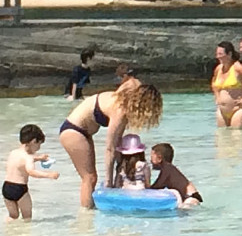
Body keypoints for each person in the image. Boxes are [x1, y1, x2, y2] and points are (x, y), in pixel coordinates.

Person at [58, 77, 163, 208]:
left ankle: (90, 212)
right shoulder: (119, 111)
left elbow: (118, 145)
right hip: (73, 130)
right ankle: (86, 217)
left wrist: (122, 171)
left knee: (91, 178)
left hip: (83, 132)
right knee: (89, 178)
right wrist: (109, 183)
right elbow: (110, 149)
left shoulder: (127, 95)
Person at [5, 124, 60, 220]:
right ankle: (25, 234)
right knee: (27, 218)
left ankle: (9, 233)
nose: (39, 147)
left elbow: (21, 163)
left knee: (13, 216)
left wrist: (39, 158)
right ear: (34, 141)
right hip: (20, 189)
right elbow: (31, 171)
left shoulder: (13, 153)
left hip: (7, 188)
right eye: (39, 144)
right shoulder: (28, 157)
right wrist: (49, 175)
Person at [149, 143, 202, 207]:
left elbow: (157, 186)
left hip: (189, 199)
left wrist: (144, 189)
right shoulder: (170, 168)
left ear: (159, 157)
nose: (150, 160)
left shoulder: (167, 169)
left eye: (152, 156)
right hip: (192, 197)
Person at [212, 42, 242, 129]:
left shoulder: (238, 68)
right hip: (222, 111)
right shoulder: (218, 69)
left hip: (238, 109)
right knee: (222, 137)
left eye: (220, 54)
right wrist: (217, 96)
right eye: (217, 54)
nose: (218, 56)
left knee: (237, 136)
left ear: (229, 54)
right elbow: (214, 84)